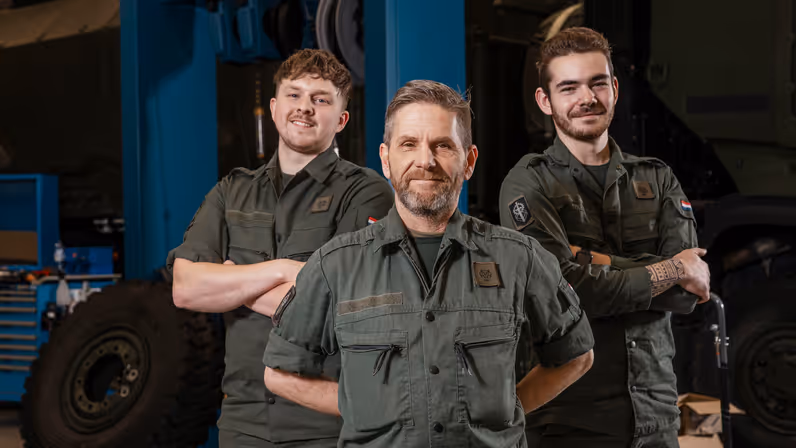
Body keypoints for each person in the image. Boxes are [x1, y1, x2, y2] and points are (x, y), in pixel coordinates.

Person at [262, 80, 595, 447]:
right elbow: (279, 373)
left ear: (469, 161)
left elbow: (576, 355)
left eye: (443, 145)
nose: (425, 160)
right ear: (386, 160)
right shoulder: (335, 265)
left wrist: (507, 412)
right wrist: (361, 406)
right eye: (409, 144)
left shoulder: (519, 257)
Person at [167, 49, 394, 447]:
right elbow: (185, 288)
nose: (304, 107)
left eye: (320, 99)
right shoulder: (232, 191)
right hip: (242, 421)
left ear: (341, 120)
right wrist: (283, 270)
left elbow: (343, 305)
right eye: (294, 95)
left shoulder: (364, 192)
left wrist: (235, 287)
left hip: (326, 423)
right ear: (274, 109)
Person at [499, 27, 711, 447]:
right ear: (545, 101)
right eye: (569, 87)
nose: (587, 98)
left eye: (597, 83)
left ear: (614, 89)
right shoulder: (528, 184)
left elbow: (686, 295)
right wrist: (672, 269)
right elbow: (565, 289)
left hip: (656, 415)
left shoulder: (657, 178)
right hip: (569, 420)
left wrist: (594, 262)